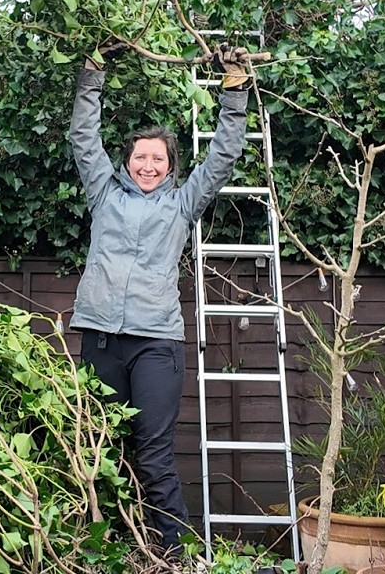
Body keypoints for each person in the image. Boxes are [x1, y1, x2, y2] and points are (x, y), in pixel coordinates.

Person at [68, 41, 251, 555]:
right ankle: (112, 549)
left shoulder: (182, 204)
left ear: (170, 165)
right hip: (101, 340)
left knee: (152, 453)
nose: (148, 165)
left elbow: (223, 156)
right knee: (102, 448)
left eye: (158, 158)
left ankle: (171, 555)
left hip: (156, 345)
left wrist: (233, 91)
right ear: (127, 162)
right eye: (140, 157)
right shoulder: (104, 193)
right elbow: (84, 138)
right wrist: (92, 73)